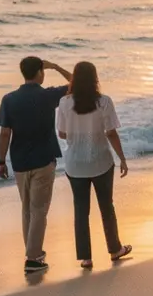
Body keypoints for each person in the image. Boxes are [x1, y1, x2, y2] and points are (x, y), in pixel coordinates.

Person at [0, 55, 71, 273]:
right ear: (40, 72)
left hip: (19, 161)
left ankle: (32, 252)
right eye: (44, 70)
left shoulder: (9, 99)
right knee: (39, 209)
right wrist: (56, 66)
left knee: (27, 209)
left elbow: (4, 133)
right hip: (43, 159)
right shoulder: (48, 95)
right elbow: (78, 83)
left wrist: (1, 161)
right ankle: (33, 257)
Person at [56, 62, 132, 269]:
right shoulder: (104, 102)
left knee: (81, 210)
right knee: (106, 207)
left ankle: (86, 258)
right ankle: (115, 249)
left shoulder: (63, 103)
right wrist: (122, 158)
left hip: (74, 164)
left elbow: (62, 133)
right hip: (101, 160)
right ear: (95, 79)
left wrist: (77, 132)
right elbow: (111, 132)